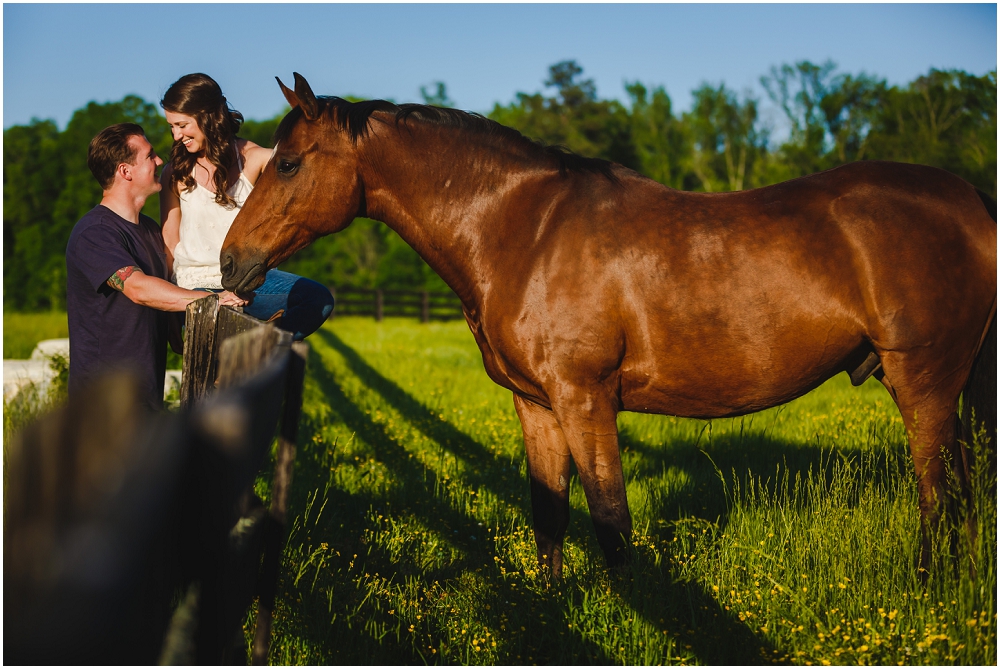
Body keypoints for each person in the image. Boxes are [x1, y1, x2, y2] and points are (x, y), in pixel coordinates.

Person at [66, 123, 246, 409]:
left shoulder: (150, 230)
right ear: (126, 171)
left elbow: (169, 286)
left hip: (145, 395)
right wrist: (212, 300)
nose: (160, 161)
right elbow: (138, 288)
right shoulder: (94, 232)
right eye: (150, 156)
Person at [159, 73, 334, 339]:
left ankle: (255, 354)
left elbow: (311, 174)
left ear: (207, 116)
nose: (176, 135)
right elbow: (170, 240)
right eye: (172, 126)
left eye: (182, 125)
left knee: (318, 299)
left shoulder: (257, 160)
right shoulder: (175, 173)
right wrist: (172, 311)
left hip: (249, 281)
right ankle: (252, 353)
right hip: (195, 284)